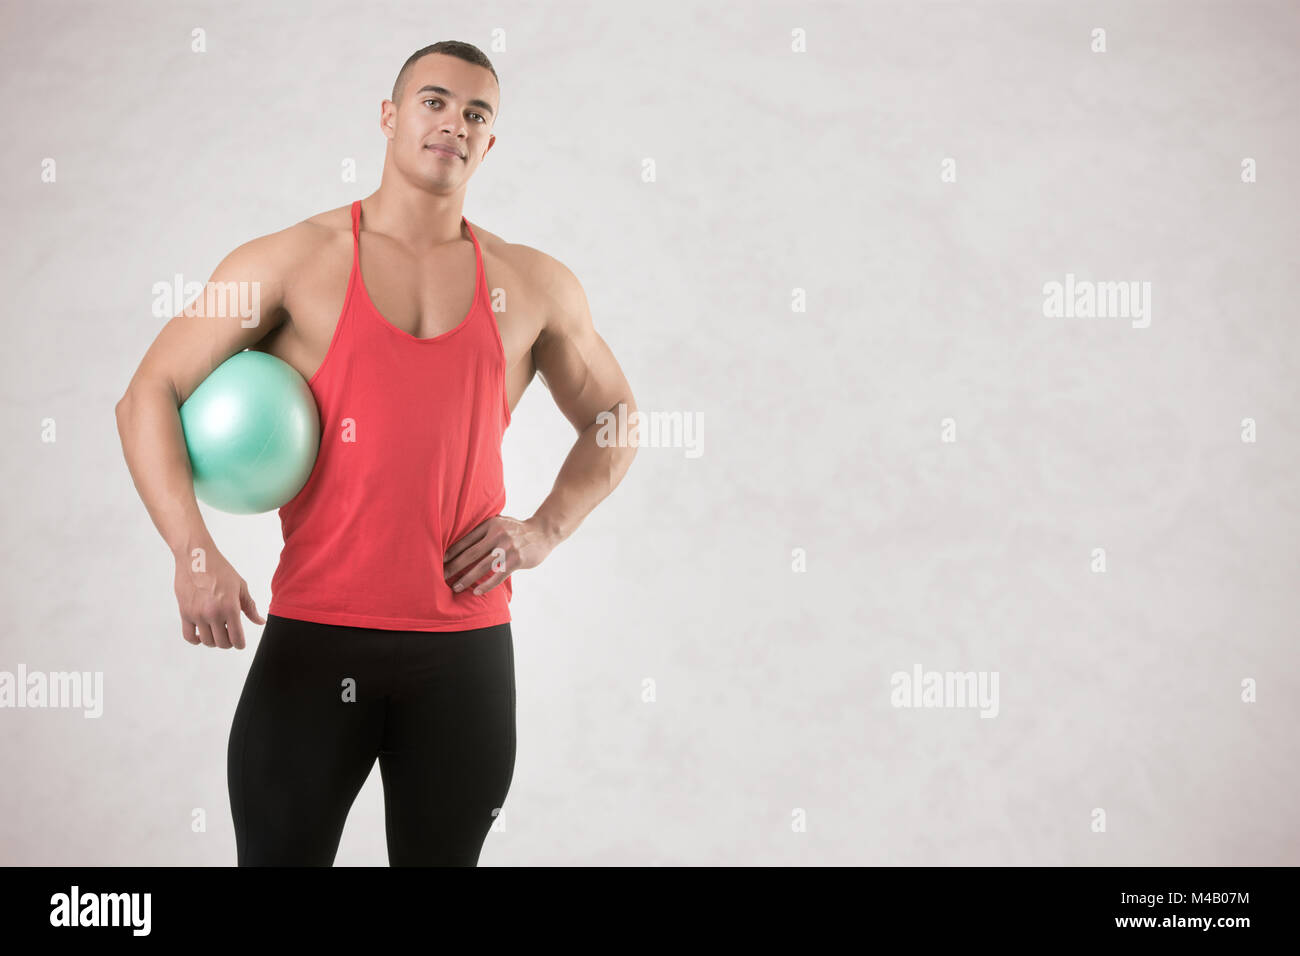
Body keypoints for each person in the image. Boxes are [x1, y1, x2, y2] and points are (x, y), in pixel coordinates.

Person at [114, 40, 638, 866]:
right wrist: (194, 553)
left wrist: (543, 531)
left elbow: (615, 416)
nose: (453, 124)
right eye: (434, 102)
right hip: (315, 645)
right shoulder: (292, 261)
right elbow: (147, 393)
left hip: (464, 656)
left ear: (489, 144)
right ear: (389, 118)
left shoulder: (535, 285)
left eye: (476, 114)